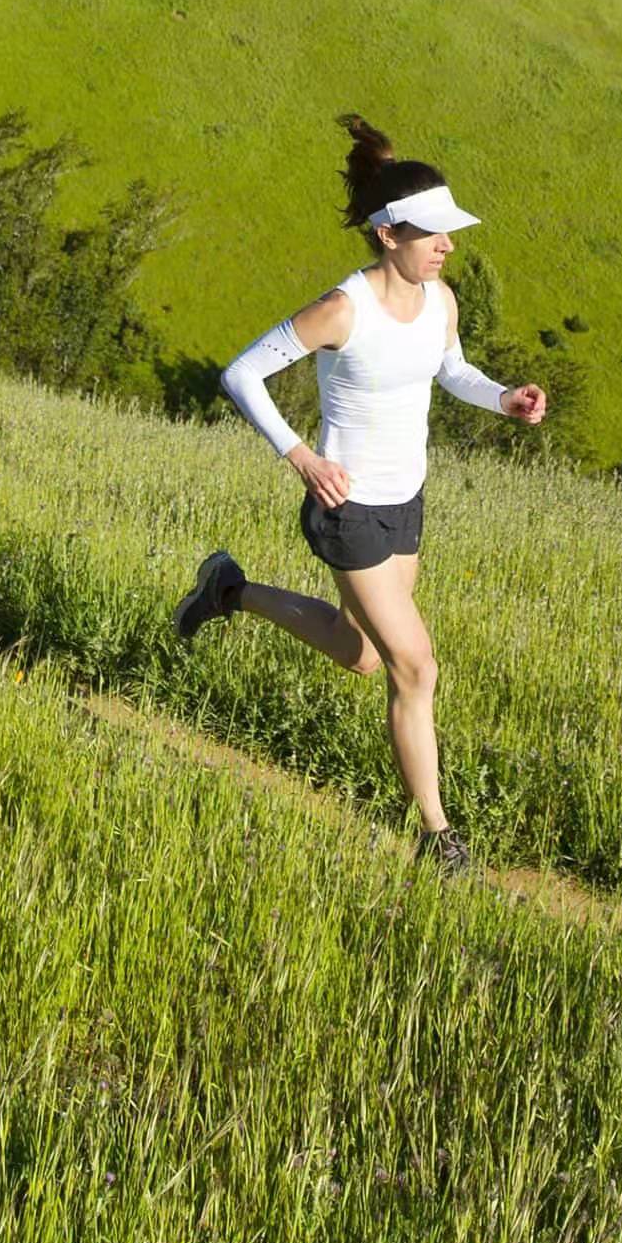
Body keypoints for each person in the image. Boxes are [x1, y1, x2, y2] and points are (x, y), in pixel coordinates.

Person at [172, 114, 547, 875]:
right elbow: (241, 373)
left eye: (449, 233)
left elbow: (450, 371)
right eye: (433, 234)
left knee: (364, 657)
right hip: (346, 508)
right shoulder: (344, 308)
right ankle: (440, 838)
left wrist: (503, 396)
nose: (449, 245)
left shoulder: (439, 300)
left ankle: (228, 591)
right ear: (387, 236)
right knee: (417, 668)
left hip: (405, 499)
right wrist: (302, 457)